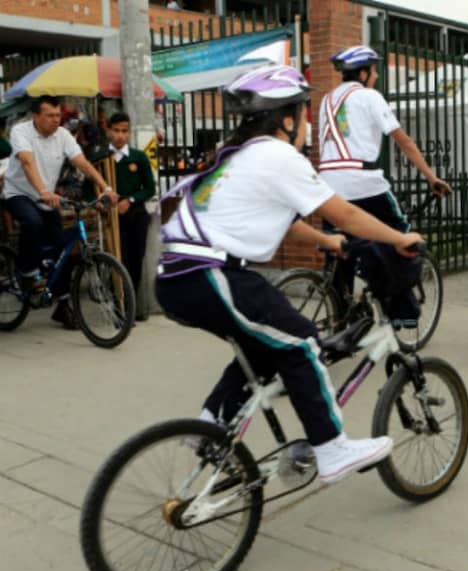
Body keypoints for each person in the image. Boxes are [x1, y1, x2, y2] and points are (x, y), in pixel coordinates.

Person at [155, 65, 424, 484]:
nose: (307, 122)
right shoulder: (278, 155)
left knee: (262, 345)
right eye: (303, 112)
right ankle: (331, 448)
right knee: (302, 342)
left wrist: (330, 242)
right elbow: (347, 213)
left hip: (181, 277)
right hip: (211, 274)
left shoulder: (240, 156)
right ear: (286, 118)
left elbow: (283, 217)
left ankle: (209, 426)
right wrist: (398, 237)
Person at [319, 45, 451, 328]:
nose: (376, 76)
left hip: (328, 186)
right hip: (363, 182)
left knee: (341, 248)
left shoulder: (327, 100)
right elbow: (404, 141)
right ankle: (403, 314)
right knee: (401, 239)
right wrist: (431, 177)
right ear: (364, 73)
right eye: (374, 71)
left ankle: (341, 316)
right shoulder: (369, 96)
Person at [2, 96, 119, 328]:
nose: (56, 120)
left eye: (58, 115)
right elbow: (26, 162)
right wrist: (43, 190)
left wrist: (106, 188)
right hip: (19, 193)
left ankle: (64, 306)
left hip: (48, 198)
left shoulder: (63, 135)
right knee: (33, 222)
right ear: (35, 116)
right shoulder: (20, 132)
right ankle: (26, 272)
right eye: (50, 116)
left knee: (62, 251)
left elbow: (82, 163)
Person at [107, 112, 156, 319]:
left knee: (136, 260)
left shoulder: (138, 157)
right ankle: (119, 308)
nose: (120, 136)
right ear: (108, 131)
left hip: (136, 215)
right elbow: (89, 189)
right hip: (112, 217)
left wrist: (131, 200)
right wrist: (108, 201)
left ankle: (132, 307)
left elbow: (150, 188)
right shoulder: (101, 158)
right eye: (116, 131)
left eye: (124, 131)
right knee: (118, 260)